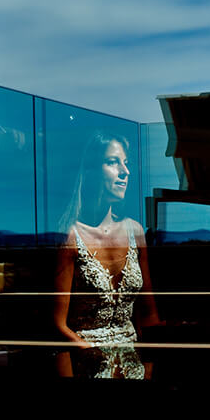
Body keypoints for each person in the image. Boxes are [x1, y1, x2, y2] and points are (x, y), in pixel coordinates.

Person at [53, 131, 162, 379]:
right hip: (89, 369)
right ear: (90, 170)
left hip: (135, 369)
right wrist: (91, 354)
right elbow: (57, 325)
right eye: (113, 162)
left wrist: (149, 371)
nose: (125, 171)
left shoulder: (135, 231)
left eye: (126, 163)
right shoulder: (70, 237)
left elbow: (149, 314)